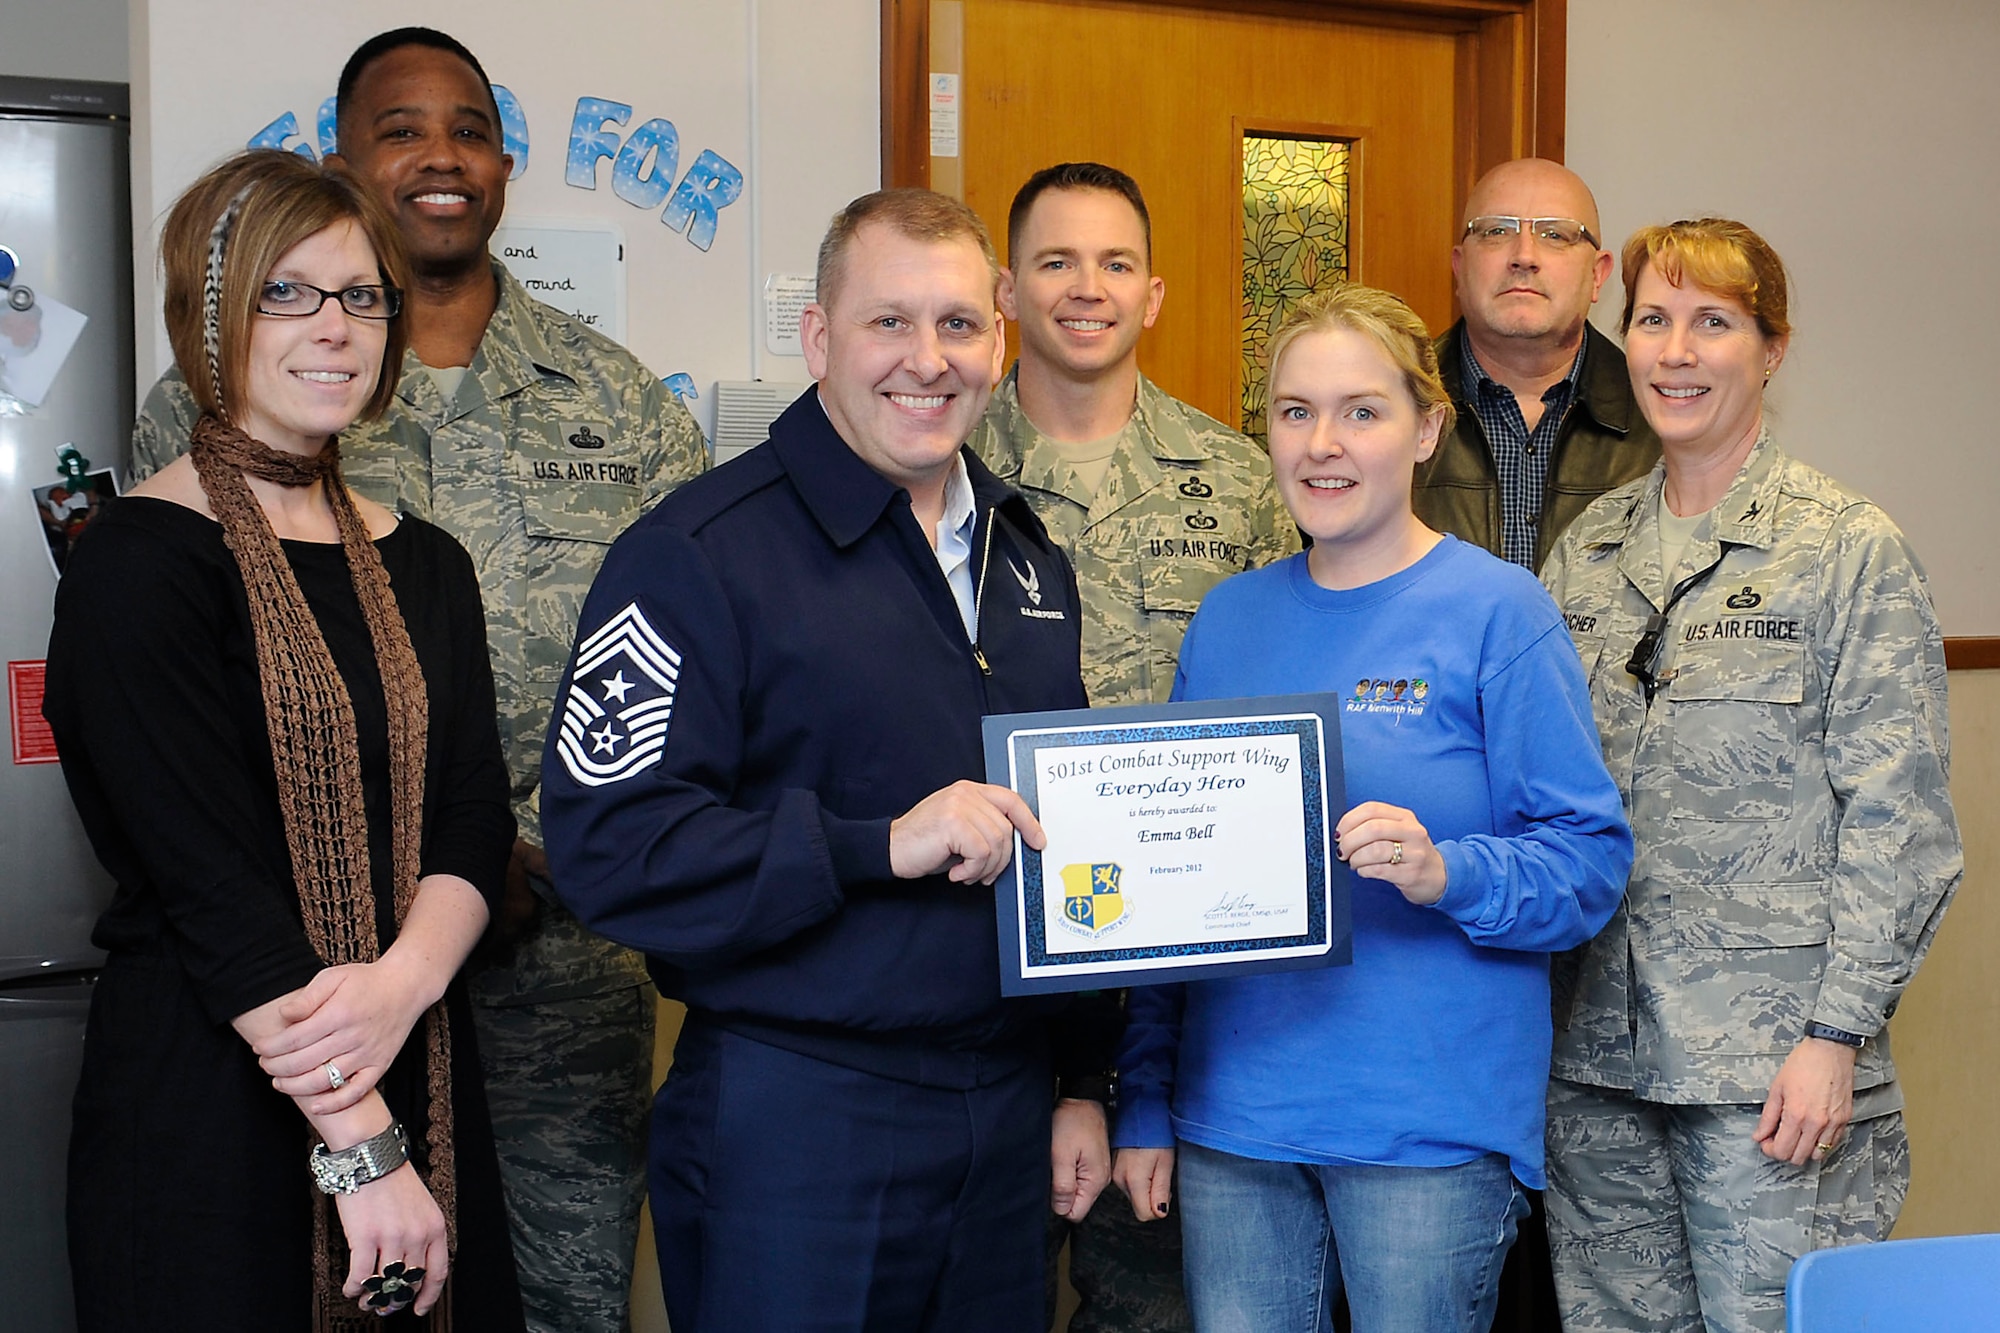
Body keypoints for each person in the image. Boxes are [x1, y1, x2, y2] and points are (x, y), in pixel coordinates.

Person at [127, 29, 709, 1332]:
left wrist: (541, 848)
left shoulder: (616, 398)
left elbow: (699, 670)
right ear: (340, 162)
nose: (440, 156)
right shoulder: (220, 398)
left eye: (467, 128)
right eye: (401, 129)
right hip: (316, 977)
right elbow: (186, 713)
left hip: (566, 964)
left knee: (562, 1300)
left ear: (502, 164)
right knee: (329, 1286)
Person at [540, 188, 1115, 1332]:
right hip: (800, 1114)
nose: (927, 360)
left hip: (1002, 1115)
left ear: (999, 338)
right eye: (886, 323)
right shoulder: (693, 553)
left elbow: (1063, 838)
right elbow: (608, 846)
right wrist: (874, 844)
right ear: (817, 338)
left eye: (957, 325)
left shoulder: (1022, 555)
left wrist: (1080, 1080)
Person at [48, 150, 521, 1329]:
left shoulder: (429, 562)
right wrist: (363, 1147)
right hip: (216, 1095)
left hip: (412, 1051)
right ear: (209, 321)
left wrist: (398, 990)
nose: (336, 327)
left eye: (362, 295)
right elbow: (207, 880)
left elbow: (471, 815)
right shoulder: (135, 562)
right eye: (287, 292)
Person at [1108, 284, 1632, 1333]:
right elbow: (1170, 887)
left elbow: (1588, 864)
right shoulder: (1228, 620)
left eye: (1360, 410)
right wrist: (1145, 1100)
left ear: (1425, 429)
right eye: (1293, 411)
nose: (1321, 443)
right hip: (1235, 1124)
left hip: (1423, 1131)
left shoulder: (1497, 612)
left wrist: (1448, 871)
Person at [1540, 219, 1963, 1333]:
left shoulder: (1844, 548)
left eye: (1712, 322)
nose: (1675, 351)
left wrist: (1836, 1036)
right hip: (1593, 1058)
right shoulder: (1583, 552)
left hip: (1771, 1073)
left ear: (1770, 349)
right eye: (1650, 320)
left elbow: (1899, 820)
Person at [967, 160, 1296, 1333]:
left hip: (1177, 976)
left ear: (1153, 295)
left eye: (1114, 263)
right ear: (1007, 289)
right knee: (973, 1286)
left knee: (1154, 1306)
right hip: (985, 957)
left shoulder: (1243, 483)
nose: (1085, 287)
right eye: (1055, 261)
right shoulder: (939, 470)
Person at [1419, 158, 1659, 572]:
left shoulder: (1662, 416)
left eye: (1555, 235)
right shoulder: (1393, 404)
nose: (1524, 256)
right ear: (1459, 268)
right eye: (1496, 231)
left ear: (1598, 276)